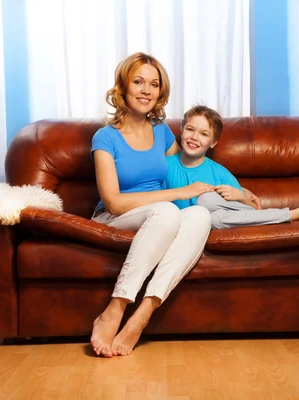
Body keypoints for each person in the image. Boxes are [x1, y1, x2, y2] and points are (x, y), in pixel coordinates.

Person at [90, 53, 214, 357]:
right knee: (168, 210)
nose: (146, 90)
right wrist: (176, 194)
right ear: (123, 86)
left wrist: (236, 190)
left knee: (199, 215)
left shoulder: (162, 132)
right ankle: (115, 308)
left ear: (160, 92)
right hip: (114, 217)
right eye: (138, 81)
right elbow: (114, 202)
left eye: (154, 84)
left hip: (162, 217)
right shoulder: (105, 138)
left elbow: (188, 169)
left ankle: (144, 312)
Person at [164, 105, 299, 229]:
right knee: (207, 215)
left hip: (217, 222)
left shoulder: (220, 173)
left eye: (204, 134)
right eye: (190, 129)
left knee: (207, 203)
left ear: (213, 142)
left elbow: (251, 210)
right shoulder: (166, 166)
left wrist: (241, 196)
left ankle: (293, 213)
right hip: (192, 223)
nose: (194, 137)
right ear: (181, 130)